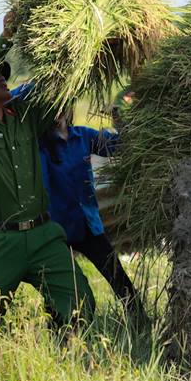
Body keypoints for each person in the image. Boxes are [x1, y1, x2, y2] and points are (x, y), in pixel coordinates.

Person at [0, 13, 95, 331]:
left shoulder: (26, 117)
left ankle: (62, 354)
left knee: (81, 302)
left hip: (44, 235)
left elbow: (59, 89)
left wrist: (75, 44)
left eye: (5, 75)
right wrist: (5, 40)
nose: (3, 78)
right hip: (2, 241)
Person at [36, 104, 146, 325]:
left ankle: (140, 322)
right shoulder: (41, 146)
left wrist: (119, 120)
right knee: (60, 285)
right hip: (58, 228)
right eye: (50, 106)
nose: (57, 111)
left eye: (61, 104)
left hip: (88, 224)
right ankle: (59, 331)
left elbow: (121, 145)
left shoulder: (83, 136)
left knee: (117, 277)